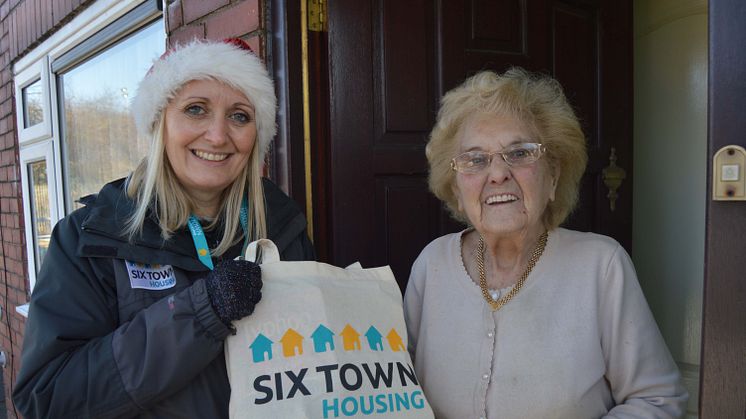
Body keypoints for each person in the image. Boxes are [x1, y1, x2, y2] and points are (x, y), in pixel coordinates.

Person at [13, 39, 314, 418]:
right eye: (195, 110)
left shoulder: (283, 227)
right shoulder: (90, 238)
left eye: (239, 116)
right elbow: (49, 398)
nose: (218, 136)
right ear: (160, 123)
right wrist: (200, 313)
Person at [403, 68, 688, 418]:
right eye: (475, 160)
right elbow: (397, 390)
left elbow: (658, 400)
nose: (496, 174)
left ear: (553, 176)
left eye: (520, 153)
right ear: (457, 191)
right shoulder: (432, 265)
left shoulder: (601, 266)